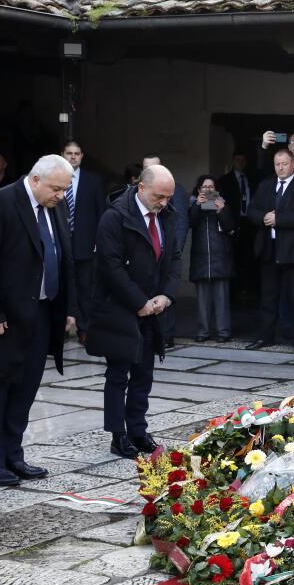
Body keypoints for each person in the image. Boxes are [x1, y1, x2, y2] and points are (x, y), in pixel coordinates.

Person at [0, 155, 77, 486]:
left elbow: (62, 257)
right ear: (35, 179)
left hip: (41, 313)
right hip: (3, 317)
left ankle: (14, 455)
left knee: (26, 389)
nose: (60, 196)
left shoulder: (56, 207)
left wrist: (68, 308)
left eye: (65, 190)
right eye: (56, 189)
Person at [86, 164, 180, 460]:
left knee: (144, 374)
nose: (164, 203)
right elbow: (110, 267)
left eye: (168, 197)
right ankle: (118, 434)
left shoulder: (167, 216)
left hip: (153, 308)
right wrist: (139, 302)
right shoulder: (115, 217)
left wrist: (166, 295)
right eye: (159, 196)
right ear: (141, 187)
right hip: (120, 308)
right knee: (119, 374)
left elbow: (174, 258)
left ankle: (138, 430)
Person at [247, 150, 294, 349]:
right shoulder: (266, 186)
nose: (280, 167)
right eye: (277, 164)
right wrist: (263, 218)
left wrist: (280, 219)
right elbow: (251, 210)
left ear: (293, 164)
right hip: (269, 250)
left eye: (284, 163)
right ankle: (265, 336)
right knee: (268, 298)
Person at [140, 155, 187, 348]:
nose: (164, 202)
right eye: (146, 168)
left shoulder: (174, 194)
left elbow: (181, 224)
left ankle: (166, 336)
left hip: (165, 255)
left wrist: (174, 251)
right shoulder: (123, 206)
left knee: (165, 298)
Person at [61, 141, 106, 337]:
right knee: (59, 287)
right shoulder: (53, 178)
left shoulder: (93, 181)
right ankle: (59, 328)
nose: (73, 157)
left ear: (82, 156)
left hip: (85, 244)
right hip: (60, 243)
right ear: (62, 154)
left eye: (76, 153)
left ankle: (84, 328)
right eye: (69, 153)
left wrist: (98, 242)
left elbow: (101, 213)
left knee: (84, 288)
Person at [189, 175, 235, 343]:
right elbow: (190, 222)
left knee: (222, 298)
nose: (208, 190)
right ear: (199, 190)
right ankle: (203, 331)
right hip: (201, 258)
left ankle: (223, 332)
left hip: (220, 256)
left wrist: (221, 210)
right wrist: (197, 205)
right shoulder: (194, 204)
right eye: (205, 187)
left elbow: (230, 226)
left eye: (211, 187)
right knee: (203, 299)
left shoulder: (222, 204)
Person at [217, 152, 258, 300]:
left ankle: (247, 290)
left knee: (249, 258)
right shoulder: (224, 181)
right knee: (233, 258)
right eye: (237, 160)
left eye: (243, 160)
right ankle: (234, 294)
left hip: (250, 223)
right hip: (232, 223)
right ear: (232, 161)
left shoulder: (252, 179)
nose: (240, 162)